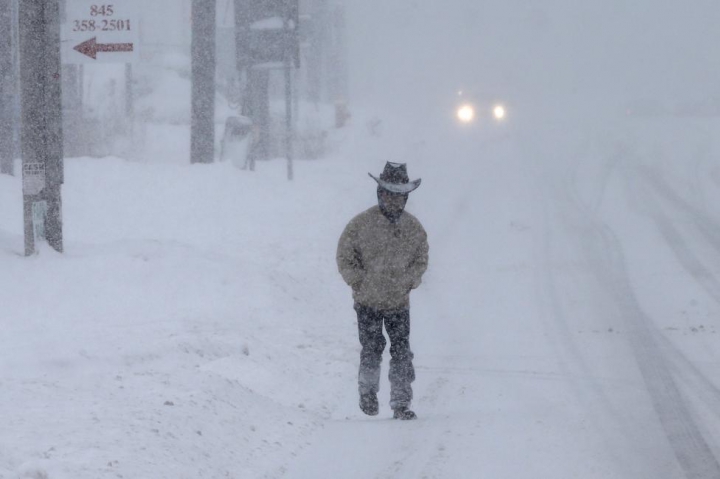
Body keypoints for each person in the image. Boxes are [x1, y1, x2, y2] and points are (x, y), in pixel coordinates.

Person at [336, 162, 429, 420]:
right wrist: (358, 281)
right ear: (380, 193)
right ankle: (367, 392)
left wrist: (410, 280)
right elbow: (345, 256)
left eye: (400, 195)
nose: (395, 200)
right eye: (389, 193)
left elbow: (421, 259)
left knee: (401, 351)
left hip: (399, 303)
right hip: (367, 302)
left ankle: (401, 401)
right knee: (371, 348)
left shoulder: (413, 229)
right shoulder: (360, 225)